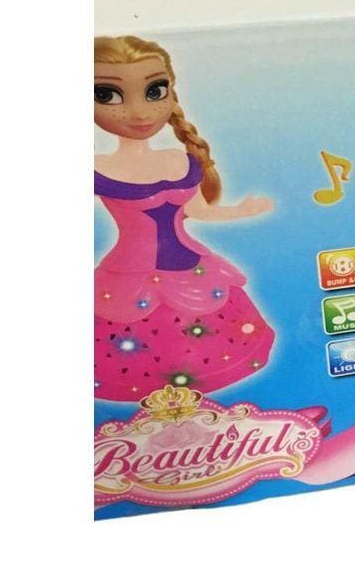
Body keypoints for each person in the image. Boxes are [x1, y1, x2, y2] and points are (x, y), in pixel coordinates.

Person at [94, 35, 275, 402]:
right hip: (130, 275)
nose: (139, 112)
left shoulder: (180, 160)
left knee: (211, 336)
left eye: (154, 91)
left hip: (195, 268)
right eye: (107, 95)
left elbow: (199, 211)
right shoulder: (96, 167)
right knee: (131, 340)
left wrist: (242, 210)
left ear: (171, 93)